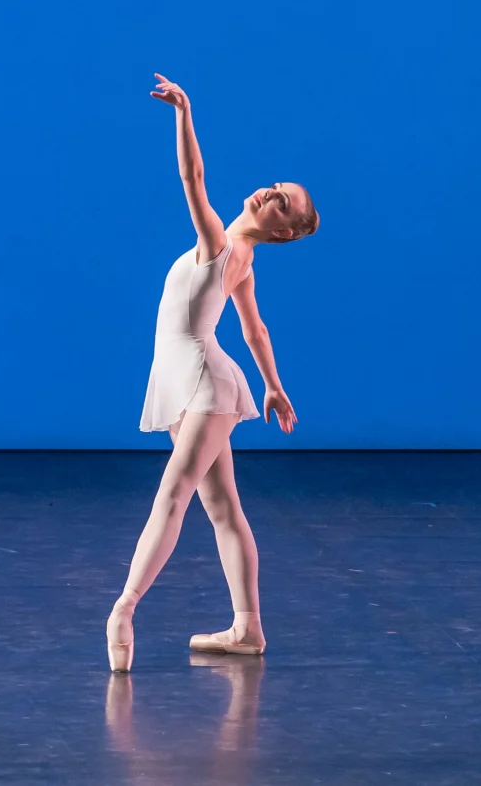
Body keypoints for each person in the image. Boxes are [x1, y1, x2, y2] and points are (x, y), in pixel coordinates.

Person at [105, 75, 320, 672]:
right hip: (192, 377)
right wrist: (274, 386)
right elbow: (254, 330)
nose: (268, 194)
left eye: (282, 202)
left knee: (174, 496)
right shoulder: (239, 256)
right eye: (275, 187)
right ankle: (247, 629)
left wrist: (184, 113)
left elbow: (192, 178)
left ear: (283, 230)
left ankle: (124, 608)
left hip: (203, 380)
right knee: (222, 506)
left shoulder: (221, 246)